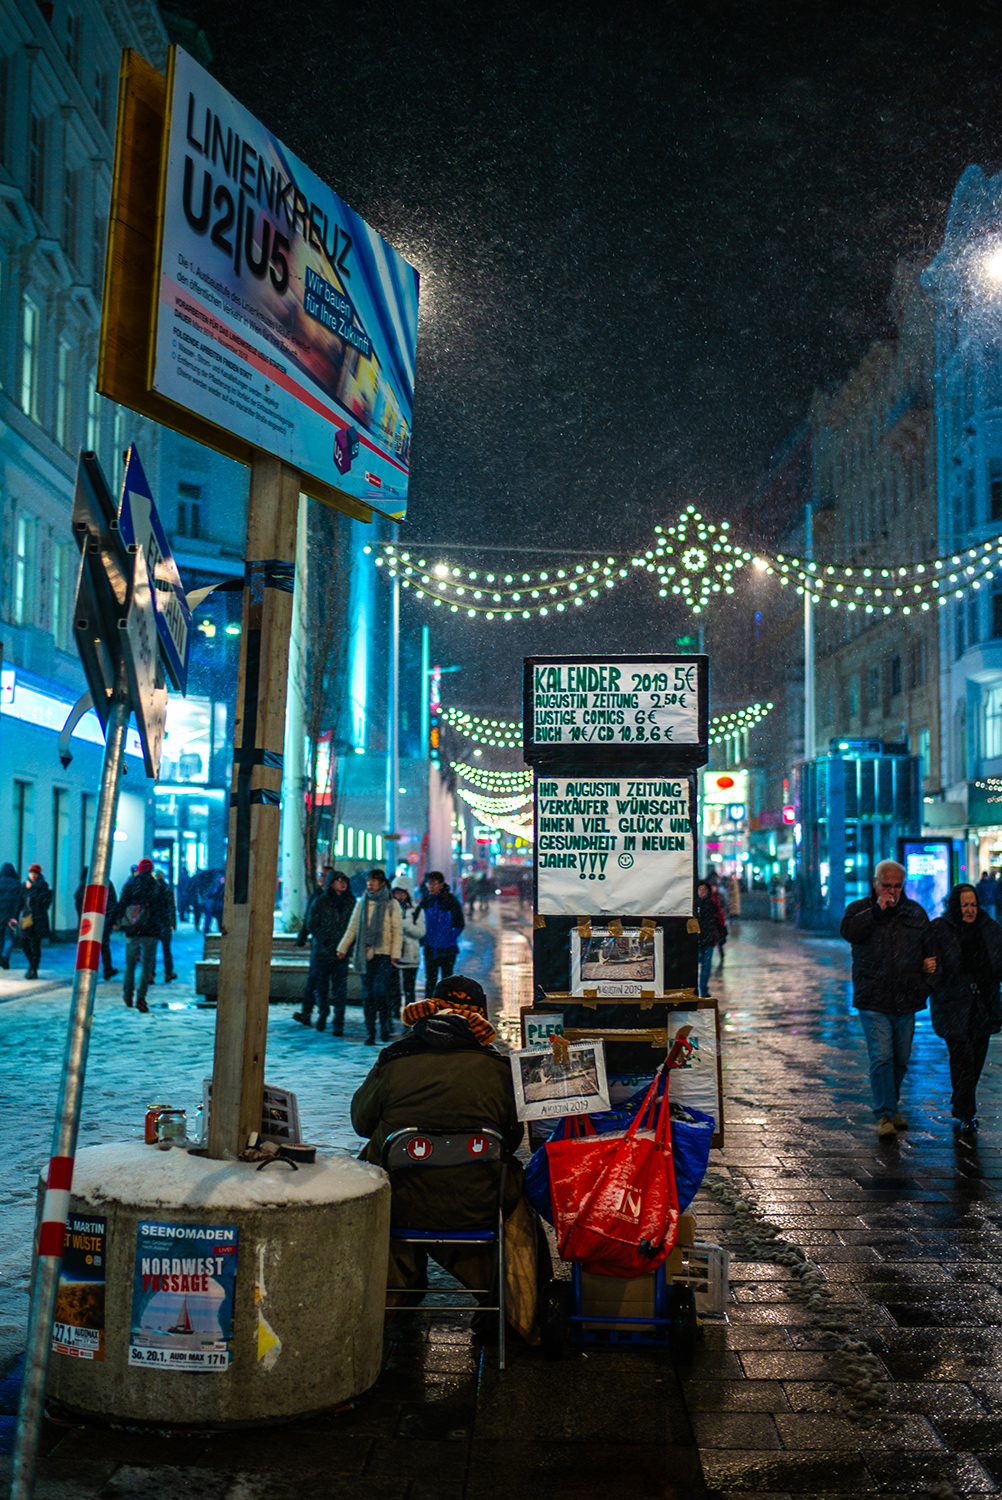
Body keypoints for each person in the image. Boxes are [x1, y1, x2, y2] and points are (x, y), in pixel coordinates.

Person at [350, 975, 541, 1339]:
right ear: (480, 1018)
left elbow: (361, 1122)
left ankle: (394, 1289)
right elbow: (512, 1138)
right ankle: (515, 1307)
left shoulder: (394, 1061)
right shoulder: (498, 1070)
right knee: (518, 1192)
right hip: (477, 1203)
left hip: (400, 1202)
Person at [840, 859, 934, 1137]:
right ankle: (885, 1114)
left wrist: (924, 985)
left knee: (901, 1059)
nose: (892, 892)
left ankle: (891, 1107)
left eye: (897, 886)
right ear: (875, 883)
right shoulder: (859, 910)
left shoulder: (915, 913)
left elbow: (930, 953)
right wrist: (875, 912)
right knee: (881, 1057)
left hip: (906, 997)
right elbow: (849, 932)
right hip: (873, 998)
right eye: (886, 886)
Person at [927, 883, 1002, 1136]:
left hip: (983, 1005)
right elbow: (932, 964)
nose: (969, 910)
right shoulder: (941, 929)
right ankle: (967, 1112)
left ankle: (961, 1101)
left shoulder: (990, 929)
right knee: (962, 1059)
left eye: (973, 905)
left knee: (977, 1060)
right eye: (964, 905)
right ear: (954, 907)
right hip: (953, 1005)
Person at [337, 868, 403, 1045]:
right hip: (365, 954)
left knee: (380, 992)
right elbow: (353, 928)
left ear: (382, 884)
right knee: (368, 995)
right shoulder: (362, 903)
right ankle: (371, 1031)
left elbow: (397, 931)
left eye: (374, 881)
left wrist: (395, 954)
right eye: (368, 881)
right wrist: (342, 948)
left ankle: (384, 1024)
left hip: (385, 954)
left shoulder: (391, 904)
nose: (370, 884)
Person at [294, 870, 355, 1033]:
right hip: (322, 953)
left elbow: (354, 926)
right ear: (331, 883)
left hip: (341, 954)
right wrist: (326, 940)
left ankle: (338, 1021)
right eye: (338, 880)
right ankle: (323, 1013)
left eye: (345, 880)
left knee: (339, 990)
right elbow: (312, 923)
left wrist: (346, 946)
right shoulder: (320, 901)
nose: (343, 883)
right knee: (321, 988)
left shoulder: (351, 902)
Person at [109, 858, 172, 1013]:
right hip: (151, 931)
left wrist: (113, 921)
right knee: (147, 966)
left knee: (130, 965)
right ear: (150, 870)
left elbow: (121, 904)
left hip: (133, 929)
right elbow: (163, 909)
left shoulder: (130, 885)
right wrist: (162, 926)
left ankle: (127, 994)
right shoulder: (156, 886)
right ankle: (141, 998)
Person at [418, 871, 465, 997]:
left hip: (448, 949)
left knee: (447, 981)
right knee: (430, 981)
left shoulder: (451, 901)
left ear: (441, 884)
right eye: (429, 883)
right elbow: (419, 922)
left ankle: (445, 1007)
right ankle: (429, 1007)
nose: (430, 887)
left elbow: (459, 923)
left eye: (434, 884)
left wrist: (449, 939)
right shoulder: (426, 901)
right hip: (430, 948)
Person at [74, 867, 118, 981]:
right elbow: (112, 903)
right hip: (102, 920)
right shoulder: (106, 883)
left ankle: (86, 970)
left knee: (88, 945)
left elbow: (78, 901)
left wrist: (83, 916)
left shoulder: (85, 884)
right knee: (103, 945)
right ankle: (107, 968)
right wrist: (110, 919)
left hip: (89, 921)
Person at [392, 885, 425, 1017]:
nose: (399, 897)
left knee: (409, 987)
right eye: (396, 893)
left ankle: (409, 1014)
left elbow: (421, 932)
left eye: (402, 893)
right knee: (393, 987)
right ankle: (394, 1012)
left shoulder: (416, 910)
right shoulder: (390, 908)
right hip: (393, 953)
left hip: (411, 954)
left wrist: (403, 924)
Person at [19, 864, 51, 980]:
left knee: (35, 945)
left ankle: (33, 969)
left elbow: (45, 902)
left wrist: (31, 889)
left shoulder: (43, 885)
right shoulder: (24, 886)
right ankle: (32, 966)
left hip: (39, 920)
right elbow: (20, 902)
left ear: (38, 874)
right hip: (27, 919)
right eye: (31, 872)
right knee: (24, 943)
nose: (33, 875)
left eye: (35, 873)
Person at [695, 879, 724, 997]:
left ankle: (703, 989)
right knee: (695, 967)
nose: (702, 892)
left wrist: (722, 933)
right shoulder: (692, 905)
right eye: (700, 889)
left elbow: (719, 919)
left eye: (704, 890)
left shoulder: (712, 904)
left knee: (706, 966)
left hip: (708, 940)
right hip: (696, 941)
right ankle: (695, 989)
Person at [152, 870, 177, 982]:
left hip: (154, 924)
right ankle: (168, 972)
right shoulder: (168, 890)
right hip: (165, 923)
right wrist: (173, 923)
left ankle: (150, 974)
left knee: (151, 950)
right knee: (166, 950)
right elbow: (172, 907)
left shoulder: (152, 890)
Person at [0, 862, 22, 970]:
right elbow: (19, 901)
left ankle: (1, 956)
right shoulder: (17, 883)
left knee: (0, 937)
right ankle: (5, 957)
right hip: (12, 916)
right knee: (9, 937)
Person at [708, 873, 729, 970]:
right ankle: (709, 957)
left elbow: (724, 906)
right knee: (711, 940)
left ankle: (721, 955)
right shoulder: (708, 897)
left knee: (719, 940)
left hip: (718, 922)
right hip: (711, 922)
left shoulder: (719, 896)